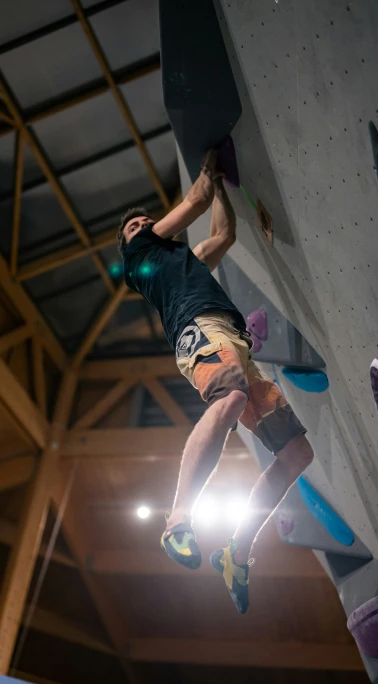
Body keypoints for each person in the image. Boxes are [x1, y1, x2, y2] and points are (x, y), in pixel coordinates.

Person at [118, 148, 313, 613]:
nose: (142, 226)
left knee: (295, 453)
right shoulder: (141, 257)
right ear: (130, 243)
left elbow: (223, 231)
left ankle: (236, 554)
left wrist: (221, 184)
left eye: (145, 222)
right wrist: (211, 164)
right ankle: (177, 518)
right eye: (133, 226)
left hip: (234, 341)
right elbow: (196, 200)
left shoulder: (184, 260)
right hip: (198, 330)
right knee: (228, 401)